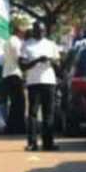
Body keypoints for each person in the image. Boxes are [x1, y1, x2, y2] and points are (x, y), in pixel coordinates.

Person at [20, 22, 60, 152]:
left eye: (43, 31)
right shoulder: (27, 45)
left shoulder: (50, 44)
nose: (40, 33)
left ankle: (48, 142)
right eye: (38, 30)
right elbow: (22, 66)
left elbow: (58, 64)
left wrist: (51, 61)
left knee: (49, 113)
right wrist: (37, 60)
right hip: (34, 82)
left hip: (49, 81)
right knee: (33, 113)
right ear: (34, 31)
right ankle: (32, 143)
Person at [1, 18, 28, 134]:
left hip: (7, 73)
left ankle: (11, 126)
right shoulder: (16, 42)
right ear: (19, 32)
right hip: (15, 73)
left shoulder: (7, 41)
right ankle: (18, 127)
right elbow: (19, 59)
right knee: (19, 102)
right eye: (23, 32)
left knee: (14, 102)